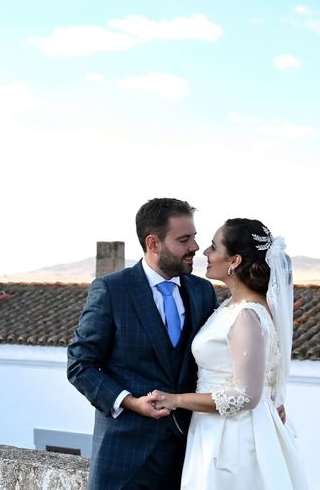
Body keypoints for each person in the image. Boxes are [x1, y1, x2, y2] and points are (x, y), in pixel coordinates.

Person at [67, 198, 218, 489]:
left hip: (189, 456)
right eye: (184, 239)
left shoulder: (203, 292)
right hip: (123, 459)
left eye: (195, 237)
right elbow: (80, 364)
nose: (195, 247)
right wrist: (130, 402)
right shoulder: (112, 289)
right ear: (153, 243)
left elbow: (218, 361)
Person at [150, 218, 308, 489]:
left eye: (213, 247)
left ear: (234, 261)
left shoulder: (246, 315)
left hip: (231, 439)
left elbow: (246, 395)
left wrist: (175, 400)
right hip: (214, 429)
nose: (205, 253)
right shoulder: (231, 306)